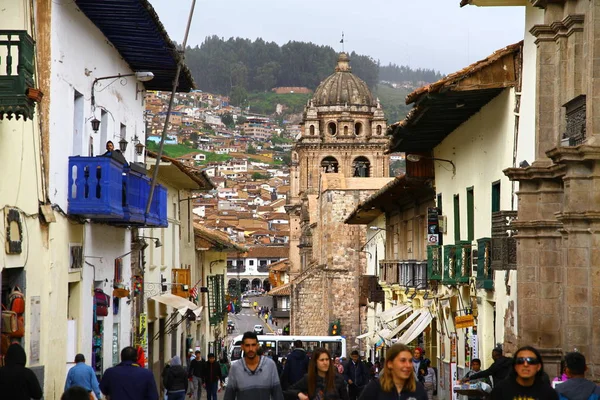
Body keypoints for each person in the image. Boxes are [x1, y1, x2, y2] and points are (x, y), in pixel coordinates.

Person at [224, 331, 284, 400]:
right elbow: (228, 396)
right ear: (242, 347)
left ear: (257, 346)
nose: (250, 349)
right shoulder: (235, 368)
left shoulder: (270, 366)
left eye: (253, 345)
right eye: (247, 345)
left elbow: (278, 395)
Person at [358, 343, 428, 400]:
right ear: (390, 363)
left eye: (410, 361)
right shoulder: (374, 388)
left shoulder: (418, 389)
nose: (408, 365)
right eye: (402, 360)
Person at [490, 345, 558, 400]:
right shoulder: (500, 390)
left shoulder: (548, 393)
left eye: (531, 361)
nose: (525, 365)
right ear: (515, 366)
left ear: (538, 366)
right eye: (520, 361)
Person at [283, 347, 349, 400]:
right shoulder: (308, 379)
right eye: (322, 360)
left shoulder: (338, 379)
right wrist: (299, 394)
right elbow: (288, 391)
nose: (325, 363)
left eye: (327, 359)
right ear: (315, 362)